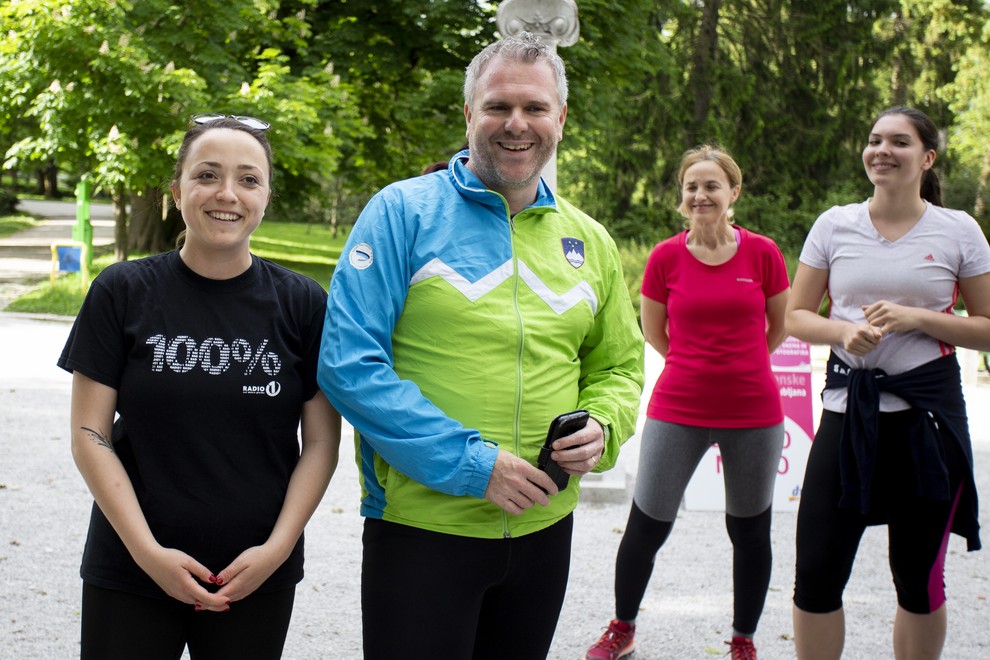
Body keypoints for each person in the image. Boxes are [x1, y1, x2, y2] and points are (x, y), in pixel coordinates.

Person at [317, 33, 644, 660]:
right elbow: (348, 364)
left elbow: (621, 367)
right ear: (469, 114)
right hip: (421, 529)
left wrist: (603, 423)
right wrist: (473, 465)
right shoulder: (401, 212)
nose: (516, 124)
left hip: (545, 530)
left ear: (560, 118)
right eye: (497, 107)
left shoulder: (590, 240)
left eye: (535, 108)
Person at [58, 114, 342, 660]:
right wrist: (147, 553)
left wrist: (277, 550)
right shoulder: (122, 290)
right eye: (207, 175)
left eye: (248, 179)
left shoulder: (303, 303)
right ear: (177, 190)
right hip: (131, 567)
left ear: (266, 197)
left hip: (254, 573)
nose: (227, 194)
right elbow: (89, 433)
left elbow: (323, 444)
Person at [786, 106, 990, 659]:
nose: (882, 150)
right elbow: (796, 316)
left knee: (919, 581)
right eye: (874, 139)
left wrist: (918, 317)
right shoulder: (835, 224)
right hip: (847, 414)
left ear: (926, 158)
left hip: (928, 424)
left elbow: (987, 328)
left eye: (898, 142)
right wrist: (843, 331)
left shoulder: (958, 230)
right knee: (817, 573)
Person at [585, 145, 790, 660]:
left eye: (711, 186)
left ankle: (743, 639)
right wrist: (699, 366)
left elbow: (779, 325)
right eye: (692, 187)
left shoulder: (763, 253)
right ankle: (622, 628)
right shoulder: (664, 258)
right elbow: (654, 332)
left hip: (753, 409)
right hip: (679, 405)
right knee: (647, 523)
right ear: (682, 197)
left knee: (748, 529)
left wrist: (740, 365)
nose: (700, 195)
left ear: (733, 193)